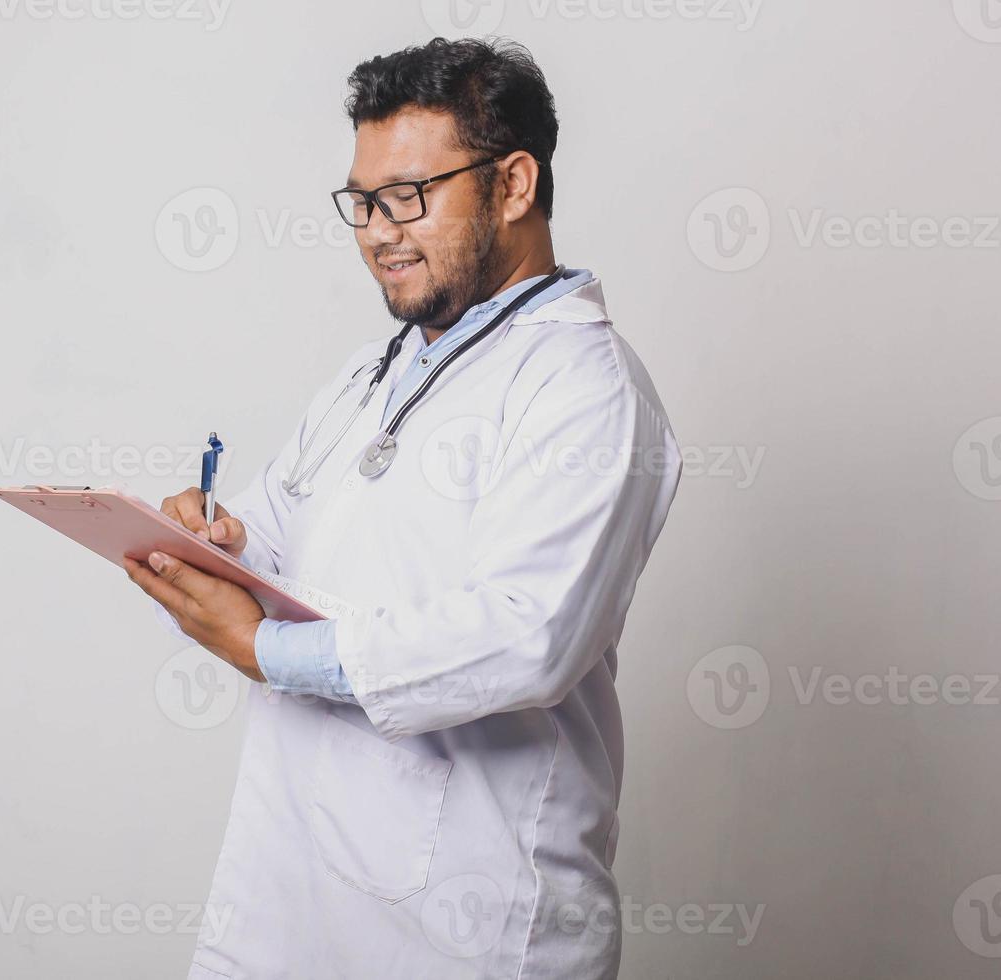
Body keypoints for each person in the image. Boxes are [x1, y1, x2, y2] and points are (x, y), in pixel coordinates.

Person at [125, 36, 681, 979]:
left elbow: (526, 636)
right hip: (302, 885)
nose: (379, 230)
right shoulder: (372, 372)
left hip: (473, 912)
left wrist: (264, 649)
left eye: (409, 197)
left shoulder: (585, 387)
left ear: (513, 184)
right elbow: (281, 528)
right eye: (363, 202)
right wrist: (214, 544)